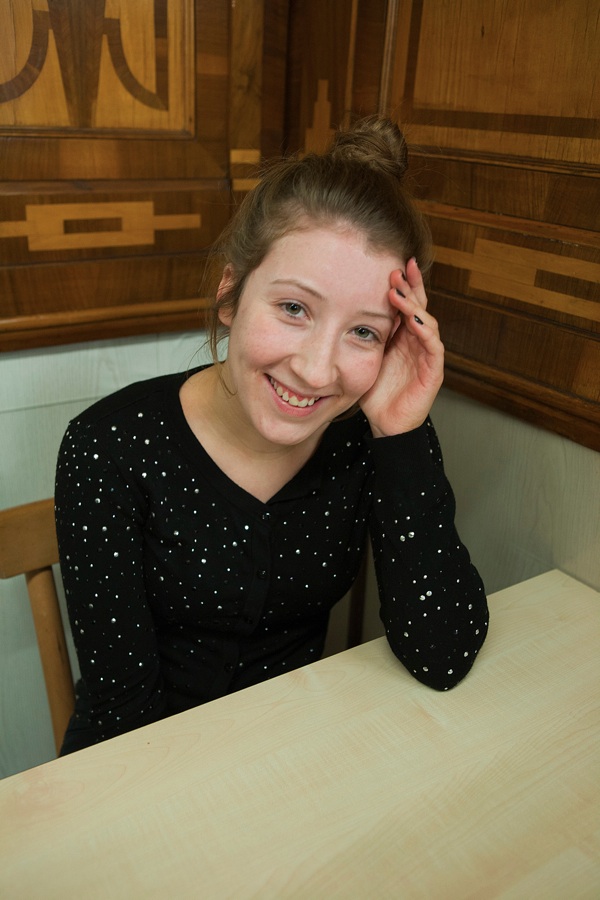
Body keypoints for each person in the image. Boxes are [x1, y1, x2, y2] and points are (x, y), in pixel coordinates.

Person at [55, 116, 489, 754]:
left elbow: (442, 654)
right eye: (293, 308)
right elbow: (123, 718)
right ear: (231, 294)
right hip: (141, 768)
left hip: (293, 756)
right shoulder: (110, 445)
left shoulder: (368, 436)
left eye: (363, 332)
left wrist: (402, 433)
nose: (316, 370)